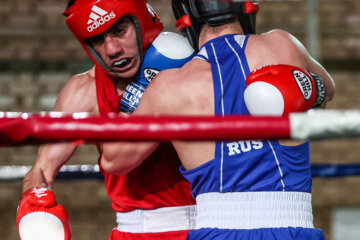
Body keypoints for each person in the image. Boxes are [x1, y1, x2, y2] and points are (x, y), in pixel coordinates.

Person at [101, 0, 336, 239]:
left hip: (215, 231)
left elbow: (113, 160)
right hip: (294, 227)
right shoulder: (282, 46)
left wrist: (140, 88)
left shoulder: (169, 86)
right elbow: (328, 92)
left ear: (184, 19)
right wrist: (306, 86)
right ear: (246, 8)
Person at [16, 0, 196, 239]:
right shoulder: (84, 92)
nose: (112, 50)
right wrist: (34, 201)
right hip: (139, 232)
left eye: (119, 31)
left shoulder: (193, 68)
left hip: (215, 225)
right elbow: (41, 170)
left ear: (141, 21)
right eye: (98, 40)